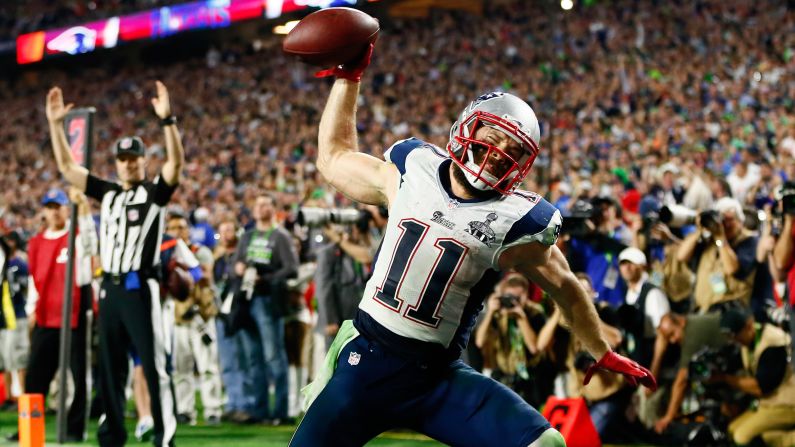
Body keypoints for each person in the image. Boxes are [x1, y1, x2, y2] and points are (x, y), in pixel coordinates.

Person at [290, 45, 655, 447]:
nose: (501, 153)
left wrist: (600, 349)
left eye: (514, 150)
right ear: (468, 127)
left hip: (437, 378)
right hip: (366, 363)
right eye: (494, 137)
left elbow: (566, 287)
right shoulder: (412, 169)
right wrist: (349, 79)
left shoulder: (517, 221)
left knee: (546, 444)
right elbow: (334, 156)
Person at [46, 81, 184, 447]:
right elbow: (66, 166)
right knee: (109, 366)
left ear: (142, 160)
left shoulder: (154, 193)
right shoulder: (106, 193)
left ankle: (163, 435)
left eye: (134, 158)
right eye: (123, 159)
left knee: (153, 366)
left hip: (142, 286)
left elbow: (175, 165)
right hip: (109, 285)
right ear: (117, 163)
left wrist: (167, 120)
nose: (128, 164)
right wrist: (55, 125)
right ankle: (112, 435)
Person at [17, 188, 96, 442]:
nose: (53, 211)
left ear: (66, 208)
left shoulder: (78, 236)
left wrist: (83, 211)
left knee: (79, 375)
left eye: (58, 206)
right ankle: (28, 427)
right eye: (49, 207)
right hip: (46, 316)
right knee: (35, 376)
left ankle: (75, 428)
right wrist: (31, 310)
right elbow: (33, 279)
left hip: (74, 315)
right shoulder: (36, 243)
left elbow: (89, 256)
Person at [234, 193, 298, 424]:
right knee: (253, 358)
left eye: (265, 204)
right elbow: (235, 264)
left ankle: (280, 412)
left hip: (268, 300)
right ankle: (259, 410)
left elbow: (292, 268)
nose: (261, 208)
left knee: (274, 357)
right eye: (257, 204)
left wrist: (267, 277)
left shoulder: (281, 236)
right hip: (246, 301)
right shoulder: (247, 236)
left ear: (273, 209)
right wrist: (239, 268)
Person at [166, 213, 222, 426]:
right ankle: (185, 410)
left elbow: (206, 276)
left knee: (207, 366)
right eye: (173, 228)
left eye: (181, 227)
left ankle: (212, 409)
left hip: (200, 314)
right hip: (179, 316)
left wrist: (182, 269)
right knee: (181, 368)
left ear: (188, 230)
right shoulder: (168, 254)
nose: (178, 231)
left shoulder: (200, 251)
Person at [715, 308, 795, 445]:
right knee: (731, 430)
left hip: (787, 404)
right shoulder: (748, 341)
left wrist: (725, 379)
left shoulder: (773, 342)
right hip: (767, 403)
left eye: (735, 335)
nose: (734, 340)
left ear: (748, 326)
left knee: (742, 438)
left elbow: (761, 387)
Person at [676, 197, 758, 313]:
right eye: (722, 220)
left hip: (731, 313)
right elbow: (681, 256)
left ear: (740, 222)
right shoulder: (710, 240)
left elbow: (732, 269)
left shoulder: (749, 241)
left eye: (730, 220)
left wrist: (721, 237)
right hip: (704, 309)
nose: (725, 225)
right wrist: (699, 230)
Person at [652, 312, 729, 435]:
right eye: (668, 338)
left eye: (672, 334)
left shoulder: (692, 335)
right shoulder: (692, 325)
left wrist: (668, 417)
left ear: (681, 322)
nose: (672, 341)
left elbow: (681, 382)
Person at [616, 247, 670, 368]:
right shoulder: (627, 294)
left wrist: (654, 370)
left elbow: (663, 336)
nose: (626, 268)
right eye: (623, 264)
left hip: (653, 359)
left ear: (642, 266)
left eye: (631, 263)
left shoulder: (653, 293)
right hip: (638, 358)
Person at [0, 230, 28, 410]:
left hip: (16, 317)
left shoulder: (18, 264)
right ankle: (9, 397)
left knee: (19, 361)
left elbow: (27, 290)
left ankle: (23, 397)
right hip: (3, 320)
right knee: (5, 361)